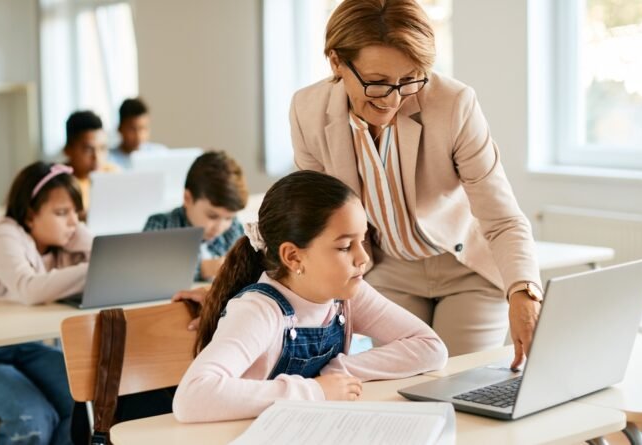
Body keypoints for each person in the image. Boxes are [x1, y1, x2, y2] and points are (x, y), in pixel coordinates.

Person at [289, 0, 542, 368]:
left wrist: (524, 291)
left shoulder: (454, 104)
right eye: (377, 83)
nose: (393, 99)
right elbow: (314, 220)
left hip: (466, 267)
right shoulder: (307, 111)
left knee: (460, 384)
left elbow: (501, 218)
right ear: (336, 62)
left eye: (408, 79)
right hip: (388, 270)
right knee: (408, 384)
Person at [172, 170, 447, 423]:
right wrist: (315, 390)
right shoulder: (258, 311)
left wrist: (339, 370)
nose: (363, 257)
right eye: (345, 247)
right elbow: (192, 398)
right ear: (293, 256)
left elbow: (431, 348)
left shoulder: (346, 294)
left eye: (362, 240)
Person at [0, 162, 90, 444]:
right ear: (29, 214)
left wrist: (86, 240)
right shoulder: (2, 236)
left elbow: (108, 263)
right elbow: (30, 289)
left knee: (84, 402)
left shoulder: (60, 241)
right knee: (33, 418)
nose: (73, 222)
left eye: (77, 212)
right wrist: (95, 267)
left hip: (27, 349)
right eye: (62, 213)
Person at [143, 150, 247, 282]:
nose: (220, 227)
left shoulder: (233, 229)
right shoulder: (160, 226)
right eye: (212, 216)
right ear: (188, 199)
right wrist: (203, 268)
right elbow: (147, 270)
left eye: (228, 218)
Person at [63, 110, 119, 212]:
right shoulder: (59, 184)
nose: (97, 157)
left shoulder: (113, 173)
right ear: (68, 150)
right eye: (88, 150)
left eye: (102, 148)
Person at [109, 97, 167, 169]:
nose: (138, 136)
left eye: (143, 128)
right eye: (132, 129)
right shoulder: (108, 159)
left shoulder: (160, 154)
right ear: (120, 128)